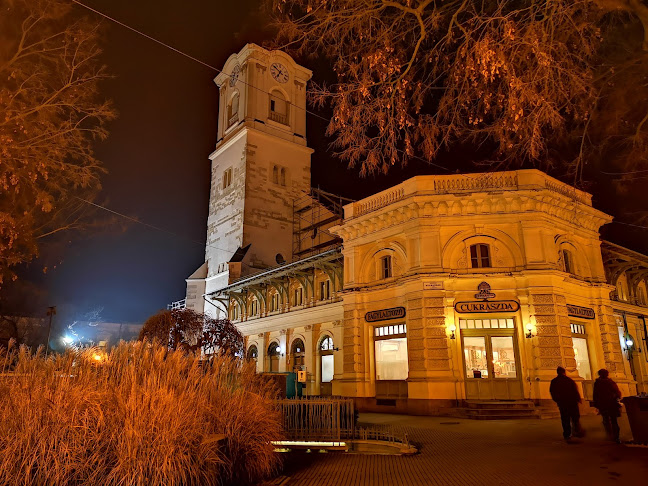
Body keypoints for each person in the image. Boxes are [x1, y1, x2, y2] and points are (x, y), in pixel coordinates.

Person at [549, 366, 583, 441]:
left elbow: (552, 392)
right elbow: (575, 390)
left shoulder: (554, 381)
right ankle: (577, 431)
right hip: (572, 402)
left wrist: (557, 400)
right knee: (575, 418)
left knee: (565, 419)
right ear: (564, 372)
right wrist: (578, 399)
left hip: (563, 403)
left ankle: (567, 434)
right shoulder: (569, 380)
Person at [592, 369, 623, 443]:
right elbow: (617, 392)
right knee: (614, 421)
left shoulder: (598, 383)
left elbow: (595, 394)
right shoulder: (610, 382)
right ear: (607, 374)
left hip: (603, 404)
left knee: (606, 419)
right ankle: (616, 437)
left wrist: (596, 404)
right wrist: (617, 398)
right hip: (612, 404)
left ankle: (609, 435)